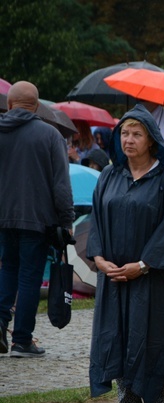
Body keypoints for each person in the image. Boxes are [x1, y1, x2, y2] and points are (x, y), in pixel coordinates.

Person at [87, 104, 164, 403]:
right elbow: (96, 222)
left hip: (154, 282)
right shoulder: (109, 177)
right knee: (119, 340)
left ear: (152, 141)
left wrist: (144, 265)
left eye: (137, 134)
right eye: (124, 133)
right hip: (117, 279)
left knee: (154, 343)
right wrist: (100, 259)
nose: (129, 140)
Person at [0, 81, 75, 357]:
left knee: (7, 269)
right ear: (36, 106)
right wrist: (67, 219)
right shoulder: (50, 135)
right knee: (29, 278)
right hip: (36, 218)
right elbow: (60, 185)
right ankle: (21, 340)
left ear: (9, 104)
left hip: (3, 218)